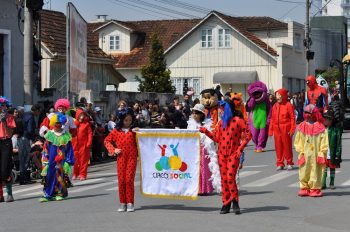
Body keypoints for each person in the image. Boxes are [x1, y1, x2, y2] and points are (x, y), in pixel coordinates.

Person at [200, 99, 252, 214]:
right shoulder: (220, 123)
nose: (220, 110)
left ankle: (235, 201)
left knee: (230, 178)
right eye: (220, 108)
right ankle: (226, 203)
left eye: (222, 107)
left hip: (234, 154)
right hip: (222, 155)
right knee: (224, 180)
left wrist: (240, 149)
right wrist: (205, 131)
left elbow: (249, 134)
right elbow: (217, 138)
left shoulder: (238, 120)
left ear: (228, 108)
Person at [104, 108, 138, 212]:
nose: (128, 122)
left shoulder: (134, 131)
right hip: (121, 158)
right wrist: (113, 149)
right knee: (122, 180)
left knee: (129, 180)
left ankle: (130, 203)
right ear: (121, 120)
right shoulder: (116, 131)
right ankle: (122, 203)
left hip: (132, 158)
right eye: (126, 120)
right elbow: (106, 141)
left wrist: (140, 132)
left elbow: (145, 140)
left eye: (130, 120)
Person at [294, 104, 328, 197]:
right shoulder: (302, 126)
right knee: (304, 169)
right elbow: (298, 140)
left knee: (316, 170)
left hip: (316, 153)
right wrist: (300, 151)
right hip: (305, 153)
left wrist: (322, 152)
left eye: (309, 112)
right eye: (306, 112)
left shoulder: (320, 127)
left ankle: (314, 188)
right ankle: (304, 187)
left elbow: (324, 140)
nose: (307, 114)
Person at [40, 113, 74, 202]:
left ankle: (59, 193)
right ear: (53, 124)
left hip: (61, 160)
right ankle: (48, 194)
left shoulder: (66, 135)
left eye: (59, 123)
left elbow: (69, 149)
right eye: (56, 123)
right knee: (49, 176)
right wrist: (45, 160)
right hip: (50, 160)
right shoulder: (49, 134)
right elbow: (45, 148)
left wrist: (68, 161)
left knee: (60, 176)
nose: (58, 125)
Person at [187, 104, 220, 194]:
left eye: (196, 113)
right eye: (193, 113)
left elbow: (210, 137)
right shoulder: (191, 124)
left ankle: (205, 189)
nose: (194, 115)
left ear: (201, 114)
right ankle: (196, 188)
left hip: (204, 149)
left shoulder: (207, 123)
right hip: (194, 149)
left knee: (205, 169)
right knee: (195, 169)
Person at [268, 89, 296, 171]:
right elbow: (272, 119)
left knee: (287, 146)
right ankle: (280, 163)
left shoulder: (288, 105)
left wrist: (292, 129)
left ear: (283, 96)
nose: (278, 97)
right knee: (278, 147)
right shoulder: (275, 106)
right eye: (277, 95)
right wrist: (270, 130)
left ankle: (289, 163)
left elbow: (292, 118)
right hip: (277, 129)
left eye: (279, 95)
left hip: (286, 128)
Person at [19, 105, 40, 184]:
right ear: (36, 110)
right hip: (26, 138)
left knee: (22, 159)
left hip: (21, 138)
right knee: (25, 159)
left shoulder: (24, 114)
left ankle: (23, 178)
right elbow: (30, 130)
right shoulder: (31, 117)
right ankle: (24, 179)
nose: (39, 113)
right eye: (39, 111)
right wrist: (34, 137)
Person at [0, 97, 16, 203]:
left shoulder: (10, 117)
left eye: (5, 106)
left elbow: (10, 134)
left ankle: (9, 193)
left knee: (5, 169)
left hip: (6, 142)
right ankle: (0, 195)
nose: (3, 108)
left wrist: (4, 122)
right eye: (2, 106)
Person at [322, 107, 342, 190]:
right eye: (325, 118)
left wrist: (338, 154)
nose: (326, 121)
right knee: (324, 168)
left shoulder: (336, 130)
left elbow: (338, 143)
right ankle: (323, 183)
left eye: (328, 119)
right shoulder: (322, 129)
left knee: (332, 168)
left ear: (332, 119)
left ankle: (332, 182)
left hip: (332, 152)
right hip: (324, 152)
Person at [73, 111, 93, 181]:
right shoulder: (74, 124)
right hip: (75, 145)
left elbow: (90, 134)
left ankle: (82, 174)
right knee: (75, 161)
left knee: (83, 161)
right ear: (77, 116)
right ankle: (75, 173)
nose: (82, 116)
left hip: (84, 145)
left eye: (83, 115)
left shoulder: (86, 124)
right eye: (80, 115)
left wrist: (89, 143)